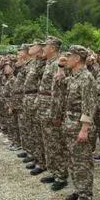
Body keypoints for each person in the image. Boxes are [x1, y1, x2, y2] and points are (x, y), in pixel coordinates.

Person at [56, 45, 97, 200]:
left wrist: (84, 129)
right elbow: (59, 81)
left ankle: (86, 197)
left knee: (82, 162)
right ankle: (79, 189)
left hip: (79, 125)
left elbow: (89, 105)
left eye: (69, 56)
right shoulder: (73, 76)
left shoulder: (86, 78)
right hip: (69, 123)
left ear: (77, 59)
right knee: (73, 160)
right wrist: (60, 67)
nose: (67, 58)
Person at [36, 37, 69, 190]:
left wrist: (57, 113)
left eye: (46, 46)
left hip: (52, 108)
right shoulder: (49, 63)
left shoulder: (58, 64)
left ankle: (61, 176)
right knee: (48, 141)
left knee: (56, 142)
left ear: (53, 48)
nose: (43, 48)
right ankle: (54, 171)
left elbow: (59, 92)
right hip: (44, 107)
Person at [21, 40, 46, 175]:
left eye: (33, 45)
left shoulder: (42, 63)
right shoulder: (33, 63)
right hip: (29, 99)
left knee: (37, 132)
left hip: (36, 99)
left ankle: (42, 162)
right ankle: (36, 158)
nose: (30, 47)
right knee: (32, 131)